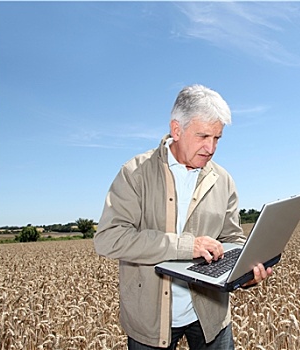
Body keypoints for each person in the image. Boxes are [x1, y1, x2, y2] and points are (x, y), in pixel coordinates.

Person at [94, 84, 272, 350]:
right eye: (203, 136)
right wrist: (187, 247)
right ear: (176, 129)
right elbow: (109, 239)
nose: (211, 148)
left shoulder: (223, 179)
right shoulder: (135, 173)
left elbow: (232, 237)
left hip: (211, 315)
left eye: (217, 138)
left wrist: (243, 273)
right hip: (150, 323)